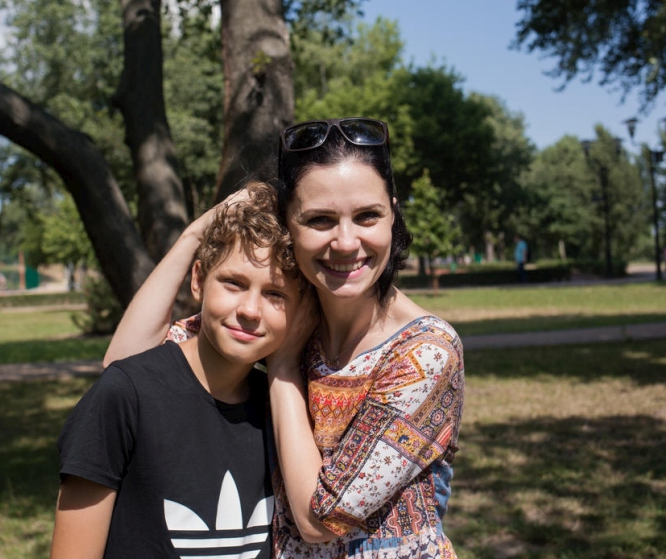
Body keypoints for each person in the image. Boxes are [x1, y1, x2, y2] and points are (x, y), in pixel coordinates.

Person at [105, 117, 465, 558]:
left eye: (368, 216)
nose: (346, 242)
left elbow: (320, 520)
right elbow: (127, 370)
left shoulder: (425, 352)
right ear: (289, 225)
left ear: (393, 213)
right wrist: (196, 234)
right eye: (320, 220)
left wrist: (282, 370)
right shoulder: (288, 320)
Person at [51, 182, 310, 559]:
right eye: (234, 283)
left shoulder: (286, 409)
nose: (251, 310)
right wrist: (195, 232)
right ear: (198, 280)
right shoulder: (126, 395)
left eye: (276, 295)